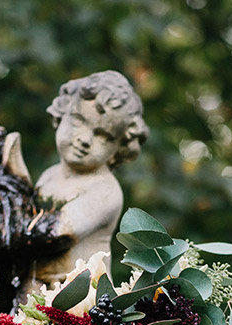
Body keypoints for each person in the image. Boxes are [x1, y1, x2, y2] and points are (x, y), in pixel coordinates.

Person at [28, 70, 149, 294]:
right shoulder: (49, 175)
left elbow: (53, 234)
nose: (84, 139)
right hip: (37, 303)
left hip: (84, 311)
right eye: (78, 120)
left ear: (118, 149)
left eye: (103, 135)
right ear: (61, 113)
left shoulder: (104, 190)